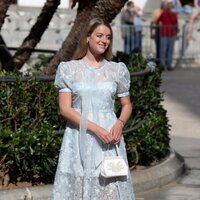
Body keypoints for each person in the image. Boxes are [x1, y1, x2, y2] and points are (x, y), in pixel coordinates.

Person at [51, 18, 135, 200]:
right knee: (78, 185)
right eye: (99, 35)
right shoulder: (69, 69)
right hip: (79, 136)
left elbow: (127, 104)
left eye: (108, 37)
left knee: (110, 188)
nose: (104, 40)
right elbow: (65, 109)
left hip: (110, 137)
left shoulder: (117, 70)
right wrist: (96, 129)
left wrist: (119, 124)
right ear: (88, 38)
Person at [157, 0, 178, 70]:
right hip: (164, 34)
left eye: (170, 5)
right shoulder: (163, 13)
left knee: (170, 50)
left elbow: (175, 22)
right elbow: (157, 21)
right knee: (163, 50)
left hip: (172, 34)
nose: (169, 6)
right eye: (168, 5)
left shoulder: (174, 14)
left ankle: (169, 64)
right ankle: (162, 65)